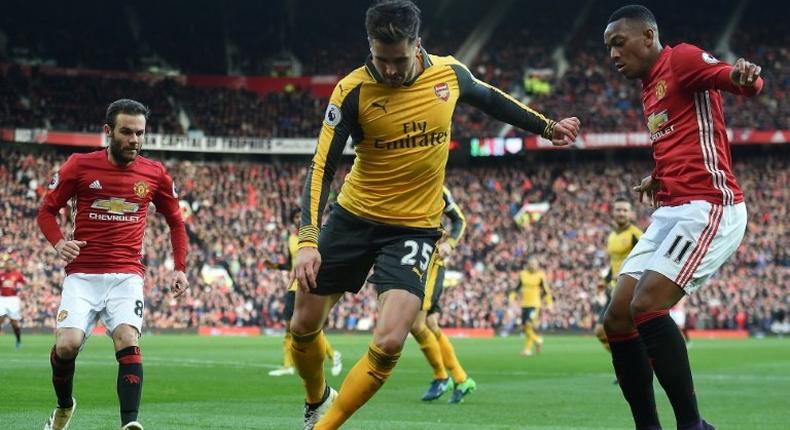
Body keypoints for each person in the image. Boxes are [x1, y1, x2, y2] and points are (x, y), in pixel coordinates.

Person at [289, 1, 580, 428]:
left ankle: (325, 426)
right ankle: (316, 398)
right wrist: (308, 239)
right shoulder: (351, 90)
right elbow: (322, 166)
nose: (389, 70)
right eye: (379, 59)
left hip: (414, 228)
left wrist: (548, 127)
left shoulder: (449, 74)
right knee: (302, 325)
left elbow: (494, 101)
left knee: (389, 343)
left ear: (417, 45)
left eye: (398, 59)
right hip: (354, 217)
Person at [603, 5, 763, 430]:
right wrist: (657, 176)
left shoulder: (682, 59)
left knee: (648, 304)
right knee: (617, 315)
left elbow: (732, 78)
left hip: (711, 205)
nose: (613, 55)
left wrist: (747, 78)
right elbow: (679, 138)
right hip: (672, 209)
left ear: (648, 35)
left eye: (619, 43)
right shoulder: (648, 86)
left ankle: (693, 425)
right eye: (608, 48)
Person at [37, 99, 189, 430]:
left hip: (126, 275)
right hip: (82, 275)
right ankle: (64, 405)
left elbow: (177, 221)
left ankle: (129, 424)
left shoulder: (154, 173)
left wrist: (180, 267)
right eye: (126, 132)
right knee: (67, 345)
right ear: (108, 132)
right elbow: (46, 211)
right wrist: (60, 243)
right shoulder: (79, 166)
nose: (134, 139)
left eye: (140, 133)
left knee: (127, 338)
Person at [410, 185, 475, 403]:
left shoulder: (437, 188)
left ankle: (441, 377)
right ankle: (461, 378)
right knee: (430, 324)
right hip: (412, 262)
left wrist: (450, 244)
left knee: (417, 324)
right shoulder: (398, 182)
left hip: (432, 264)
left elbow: (460, 220)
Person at [266, 208, 342, 377]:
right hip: (292, 285)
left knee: (308, 327)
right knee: (288, 328)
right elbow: (289, 263)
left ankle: (332, 354)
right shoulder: (291, 238)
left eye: (301, 216)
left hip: (306, 284)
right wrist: (275, 266)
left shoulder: (315, 236)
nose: (298, 218)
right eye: (295, 217)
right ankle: (288, 366)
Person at [594, 196, 642, 353]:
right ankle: (627, 364)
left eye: (625, 210)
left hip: (628, 289)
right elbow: (614, 264)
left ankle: (633, 367)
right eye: (618, 210)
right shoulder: (612, 236)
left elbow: (645, 260)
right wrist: (605, 280)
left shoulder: (636, 234)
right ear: (612, 212)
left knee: (623, 332)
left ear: (631, 214)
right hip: (613, 289)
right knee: (601, 331)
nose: (621, 213)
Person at [516, 257, 553, 356]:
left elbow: (546, 291)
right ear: (527, 264)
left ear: (537, 265)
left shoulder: (540, 275)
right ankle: (533, 344)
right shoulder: (522, 274)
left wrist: (549, 303)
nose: (532, 265)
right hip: (524, 304)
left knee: (529, 324)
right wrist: (512, 298)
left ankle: (533, 344)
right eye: (531, 263)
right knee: (525, 327)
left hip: (535, 304)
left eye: (534, 264)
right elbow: (517, 288)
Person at [0, 256, 26, 349]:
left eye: (11, 264)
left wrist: (20, 288)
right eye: (7, 264)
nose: (9, 265)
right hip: (2, 299)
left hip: (13, 299)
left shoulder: (18, 275)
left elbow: (24, 284)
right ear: (5, 265)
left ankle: (18, 341)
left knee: (14, 322)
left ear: (14, 265)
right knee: (0, 318)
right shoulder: (1, 274)